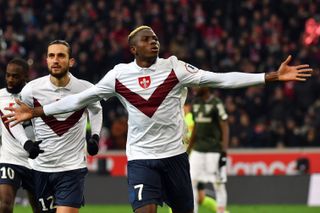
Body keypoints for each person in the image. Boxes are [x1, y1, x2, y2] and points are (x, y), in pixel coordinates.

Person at [3, 26, 313, 213]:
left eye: (156, 38)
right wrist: (38, 111)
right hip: (141, 160)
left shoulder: (175, 68)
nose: (155, 42)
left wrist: (270, 76)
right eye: (148, 39)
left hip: (175, 158)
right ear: (133, 47)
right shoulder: (118, 75)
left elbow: (220, 79)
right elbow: (80, 99)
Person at [6, 40, 103, 213]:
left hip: (72, 168)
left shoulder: (85, 88)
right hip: (42, 168)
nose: (55, 60)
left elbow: (96, 109)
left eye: (61, 55)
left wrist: (95, 136)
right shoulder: (31, 90)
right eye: (51, 56)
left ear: (71, 61)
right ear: (46, 60)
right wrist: (26, 143)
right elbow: (13, 119)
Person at [0, 58, 42, 213]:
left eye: (15, 76)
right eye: (8, 75)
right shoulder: (0, 97)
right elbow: (9, 125)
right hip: (10, 158)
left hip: (35, 159)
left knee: (38, 208)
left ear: (26, 76)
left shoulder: (35, 97)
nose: (10, 79)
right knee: (5, 204)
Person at [187, 87, 229, 213]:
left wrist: (224, 151)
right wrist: (189, 149)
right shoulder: (195, 103)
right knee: (191, 183)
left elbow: (225, 126)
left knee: (218, 184)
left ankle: (221, 211)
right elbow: (195, 128)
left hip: (214, 150)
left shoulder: (216, 103)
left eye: (197, 86)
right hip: (197, 150)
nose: (194, 88)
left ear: (206, 87)